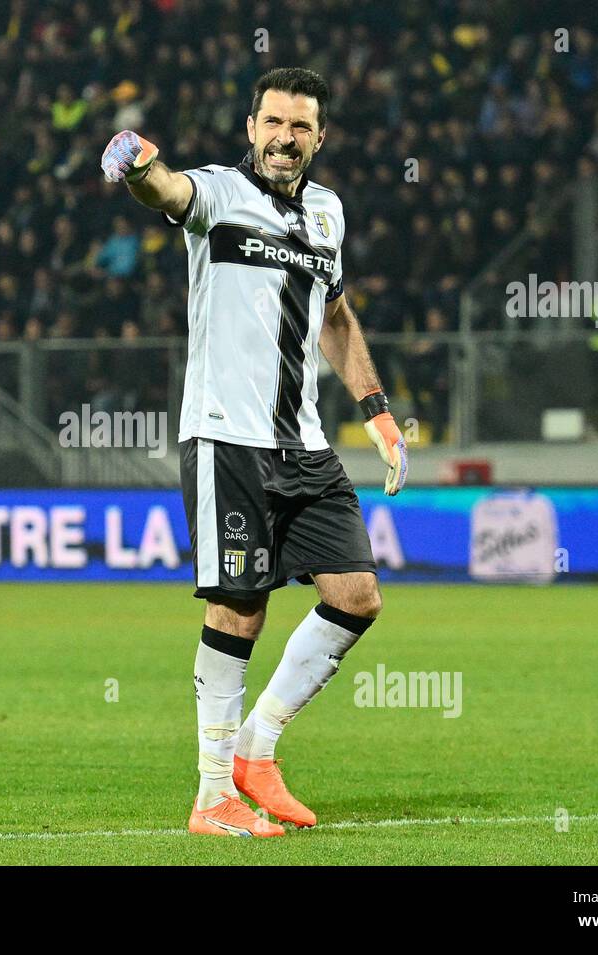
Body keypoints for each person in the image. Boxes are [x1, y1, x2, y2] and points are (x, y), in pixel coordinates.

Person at [102, 67, 407, 838]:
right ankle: (211, 795)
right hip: (225, 437)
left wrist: (375, 409)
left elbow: (335, 315)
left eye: (300, 126)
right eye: (273, 122)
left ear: (319, 137)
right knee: (240, 606)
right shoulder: (217, 195)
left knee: (355, 595)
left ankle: (256, 750)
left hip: (303, 442)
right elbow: (166, 193)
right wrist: (139, 163)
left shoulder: (330, 214)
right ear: (251, 128)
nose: (285, 137)